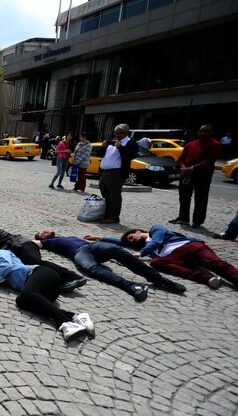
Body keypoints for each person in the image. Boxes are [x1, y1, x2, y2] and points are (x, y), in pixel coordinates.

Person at [0, 250, 95, 342]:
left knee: (25, 294)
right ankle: (75, 317)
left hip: (42, 273)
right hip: (44, 291)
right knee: (21, 301)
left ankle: (64, 322)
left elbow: (7, 265)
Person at [33, 230, 185, 301]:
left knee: (115, 250)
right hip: (79, 253)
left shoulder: (66, 236)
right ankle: (132, 287)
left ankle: (160, 279)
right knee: (91, 269)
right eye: (41, 233)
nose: (44, 232)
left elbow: (118, 243)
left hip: (92, 246)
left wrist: (113, 257)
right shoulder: (46, 243)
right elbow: (31, 243)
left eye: (44, 231)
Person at [96, 225, 238, 289]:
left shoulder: (155, 230)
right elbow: (120, 242)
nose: (132, 241)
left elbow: (157, 241)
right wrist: (101, 237)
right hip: (174, 258)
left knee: (216, 264)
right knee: (156, 262)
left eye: (132, 237)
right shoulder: (142, 246)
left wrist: (140, 253)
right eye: (131, 241)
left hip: (189, 247)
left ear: (138, 231)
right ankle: (206, 278)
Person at [0, 226, 87, 292]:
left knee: (37, 263)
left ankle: (73, 277)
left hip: (22, 245)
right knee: (35, 268)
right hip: (18, 250)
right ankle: (59, 281)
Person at [170, 124, 222, 229]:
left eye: (206, 132)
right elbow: (181, 158)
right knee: (184, 196)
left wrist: (192, 168)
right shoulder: (191, 144)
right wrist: (184, 167)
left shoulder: (215, 145)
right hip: (187, 174)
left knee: (201, 198)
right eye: (201, 131)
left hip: (203, 175)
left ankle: (197, 221)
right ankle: (183, 218)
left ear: (211, 133)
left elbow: (209, 161)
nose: (202, 133)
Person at [98, 123, 138, 223]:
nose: (117, 135)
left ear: (126, 133)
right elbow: (100, 154)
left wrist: (120, 147)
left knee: (114, 195)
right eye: (115, 133)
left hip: (117, 173)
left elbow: (130, 155)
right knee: (105, 193)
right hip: (105, 172)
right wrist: (103, 147)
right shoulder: (112, 141)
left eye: (119, 133)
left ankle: (113, 217)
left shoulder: (130, 142)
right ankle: (107, 214)